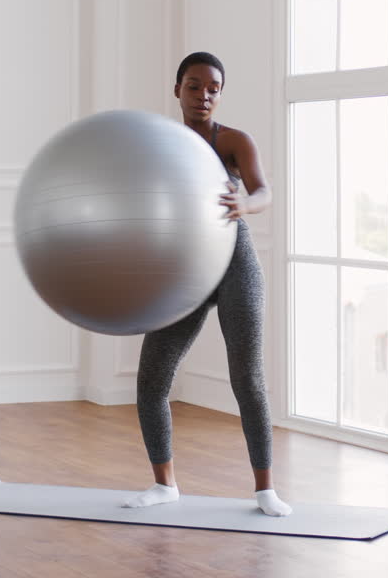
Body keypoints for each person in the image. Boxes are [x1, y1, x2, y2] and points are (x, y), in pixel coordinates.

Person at [122, 51, 292, 517]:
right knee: (151, 380)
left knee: (247, 378)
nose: (203, 95)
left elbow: (263, 192)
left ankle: (265, 491)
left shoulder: (234, 140)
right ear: (177, 89)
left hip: (235, 264)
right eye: (194, 86)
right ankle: (164, 484)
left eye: (213, 88)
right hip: (185, 271)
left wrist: (244, 204)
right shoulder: (160, 142)